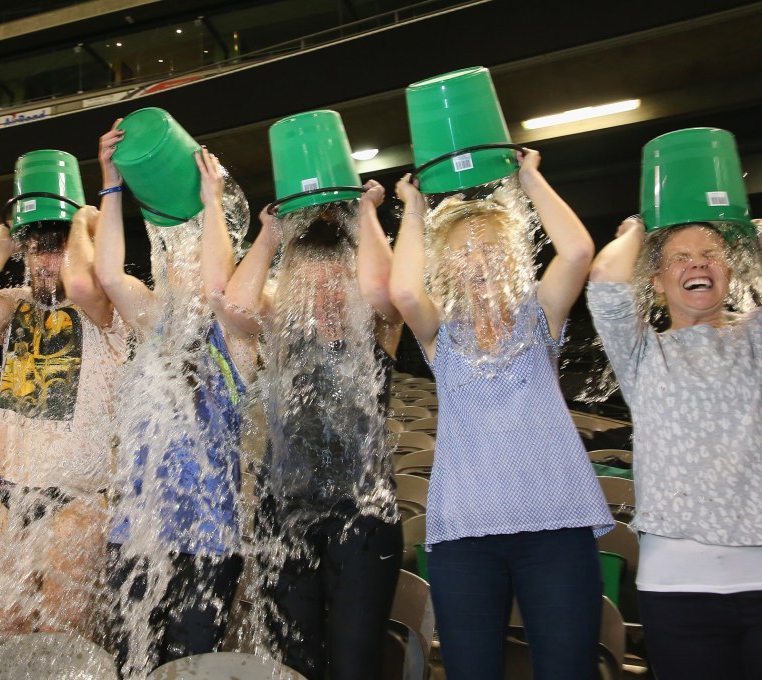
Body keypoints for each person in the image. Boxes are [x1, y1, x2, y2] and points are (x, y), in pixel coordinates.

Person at [388, 150, 613, 680]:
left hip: (557, 527)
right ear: (446, 267)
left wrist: (530, 178)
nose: (480, 259)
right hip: (466, 536)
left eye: (492, 248)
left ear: (513, 256)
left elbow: (579, 251)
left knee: (568, 669)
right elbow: (401, 290)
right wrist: (414, 209)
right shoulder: (439, 332)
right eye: (464, 252)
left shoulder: (540, 314)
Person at [219, 181, 404, 680]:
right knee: (290, 667)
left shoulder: (378, 328)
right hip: (283, 514)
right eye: (311, 286)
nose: (325, 297)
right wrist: (271, 234)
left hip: (363, 515)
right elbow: (233, 308)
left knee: (354, 665)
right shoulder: (280, 331)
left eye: (336, 284)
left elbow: (389, 289)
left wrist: (365, 213)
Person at [95, 122, 254, 676]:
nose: (176, 264)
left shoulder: (235, 335)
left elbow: (216, 289)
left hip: (206, 540)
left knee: (189, 670)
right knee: (129, 666)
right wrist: (110, 184)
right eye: (171, 254)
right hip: (135, 532)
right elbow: (109, 273)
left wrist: (211, 204)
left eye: (192, 255)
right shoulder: (152, 321)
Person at [588, 216, 762, 680]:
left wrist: (748, 233)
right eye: (680, 259)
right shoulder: (643, 353)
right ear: (658, 283)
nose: (697, 265)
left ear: (730, 272)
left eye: (710, 257)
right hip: (678, 587)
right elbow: (605, 280)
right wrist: (641, 228)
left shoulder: (756, 339)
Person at [0, 202, 124, 646]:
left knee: (58, 645)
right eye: (35, 252)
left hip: (77, 497)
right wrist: (0, 245)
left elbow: (84, 283)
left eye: (57, 251)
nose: (45, 263)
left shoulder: (105, 305)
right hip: (8, 493)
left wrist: (83, 221)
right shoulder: (13, 302)